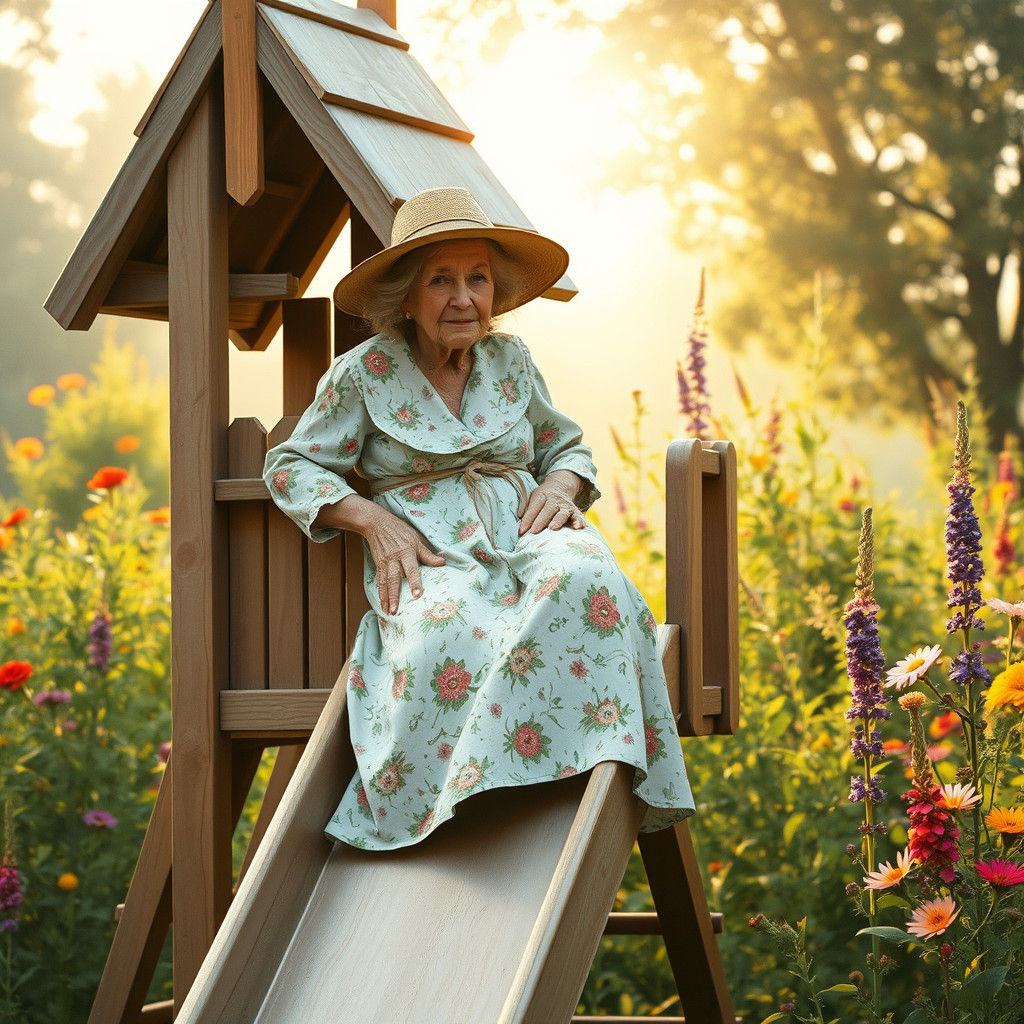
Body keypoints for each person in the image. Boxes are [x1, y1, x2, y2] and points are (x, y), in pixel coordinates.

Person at [262, 186, 695, 850]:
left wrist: (560, 483)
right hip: (436, 552)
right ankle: (471, 788)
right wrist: (373, 521)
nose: (463, 297)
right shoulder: (362, 373)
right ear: (406, 295)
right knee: (446, 636)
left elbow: (567, 444)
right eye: (441, 280)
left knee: (590, 581)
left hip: (528, 529)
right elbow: (290, 466)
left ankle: (572, 758)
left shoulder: (511, 358)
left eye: (477, 279)